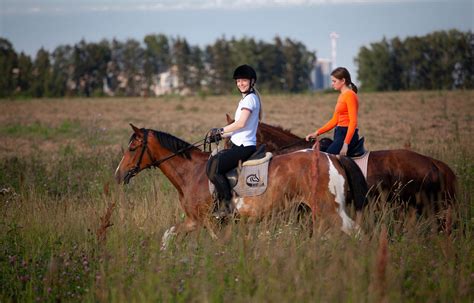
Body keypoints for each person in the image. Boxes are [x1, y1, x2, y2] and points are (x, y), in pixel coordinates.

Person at [206, 64, 262, 218]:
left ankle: (226, 207)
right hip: (239, 143)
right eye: (238, 81)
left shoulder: (250, 100)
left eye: (243, 80)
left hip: (244, 147)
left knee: (214, 168)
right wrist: (220, 136)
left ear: (252, 81)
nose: (240, 83)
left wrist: (220, 130)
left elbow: (241, 123)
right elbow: (239, 129)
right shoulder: (246, 99)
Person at [305, 67, 360, 156]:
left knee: (325, 158)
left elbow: (353, 122)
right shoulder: (342, 96)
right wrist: (316, 133)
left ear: (342, 81)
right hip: (339, 133)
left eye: (334, 81)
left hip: (346, 135)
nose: (332, 84)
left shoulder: (350, 95)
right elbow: (334, 121)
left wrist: (346, 144)